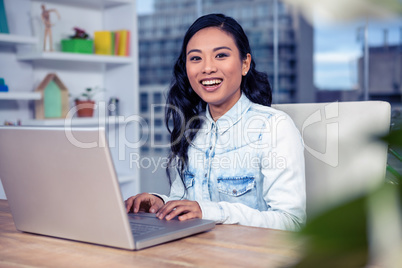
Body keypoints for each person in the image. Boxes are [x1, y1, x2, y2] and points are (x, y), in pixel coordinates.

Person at [125, 13, 306, 231]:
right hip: (195, 253)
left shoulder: (274, 127)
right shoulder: (191, 128)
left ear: (245, 64)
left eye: (220, 55)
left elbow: (292, 222)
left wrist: (210, 211)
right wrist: (160, 203)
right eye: (195, 58)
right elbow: (184, 201)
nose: (207, 68)